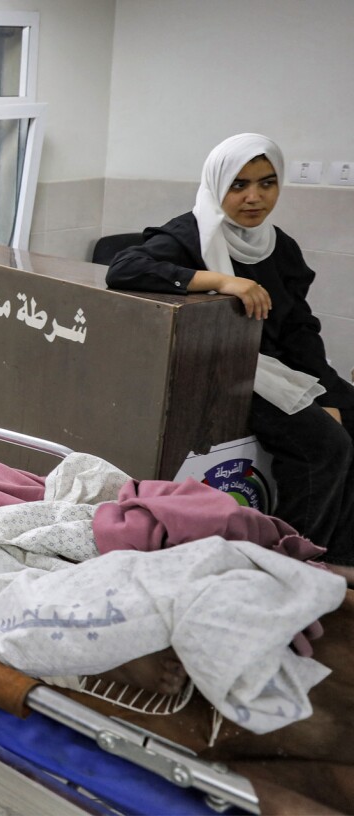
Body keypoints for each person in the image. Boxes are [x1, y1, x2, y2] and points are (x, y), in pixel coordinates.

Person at [107, 134, 354, 584]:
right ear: (217, 184)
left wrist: (328, 391)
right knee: (322, 444)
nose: (254, 197)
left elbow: (299, 331)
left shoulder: (279, 245)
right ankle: (290, 562)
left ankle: (340, 554)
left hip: (281, 371)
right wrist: (221, 280)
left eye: (267, 183)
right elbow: (123, 269)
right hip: (229, 372)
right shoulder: (189, 234)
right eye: (238, 185)